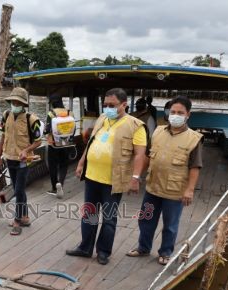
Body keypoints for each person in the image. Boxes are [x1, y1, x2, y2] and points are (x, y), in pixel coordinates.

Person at [67, 88, 148, 265]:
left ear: (124, 105)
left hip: (113, 181)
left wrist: (135, 178)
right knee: (89, 214)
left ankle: (103, 251)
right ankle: (85, 248)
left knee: (109, 218)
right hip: (92, 176)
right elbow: (90, 143)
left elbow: (140, 155)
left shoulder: (136, 126)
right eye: (105, 105)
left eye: (112, 105)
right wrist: (81, 163)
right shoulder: (103, 119)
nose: (107, 108)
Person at [127, 96, 202, 265]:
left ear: (188, 115)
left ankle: (165, 252)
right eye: (172, 112)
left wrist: (189, 190)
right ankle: (143, 248)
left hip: (174, 191)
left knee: (170, 224)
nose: (175, 115)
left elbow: (195, 167)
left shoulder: (194, 138)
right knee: (146, 219)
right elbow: (147, 156)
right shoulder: (158, 131)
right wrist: (136, 177)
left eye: (180, 113)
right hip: (153, 187)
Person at [0, 87, 42, 236]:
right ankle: (26, 217)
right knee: (17, 188)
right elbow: (2, 137)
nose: (15, 104)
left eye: (18, 102)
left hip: (23, 160)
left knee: (19, 190)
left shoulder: (32, 120)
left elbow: (38, 142)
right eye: (13, 102)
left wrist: (26, 150)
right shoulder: (6, 115)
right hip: (9, 158)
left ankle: (17, 221)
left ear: (23, 104)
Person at [45, 94, 76, 199]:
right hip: (67, 143)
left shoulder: (51, 113)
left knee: (52, 166)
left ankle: (54, 187)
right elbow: (74, 129)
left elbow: (46, 130)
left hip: (53, 144)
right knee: (64, 165)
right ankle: (61, 184)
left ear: (52, 103)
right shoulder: (69, 112)